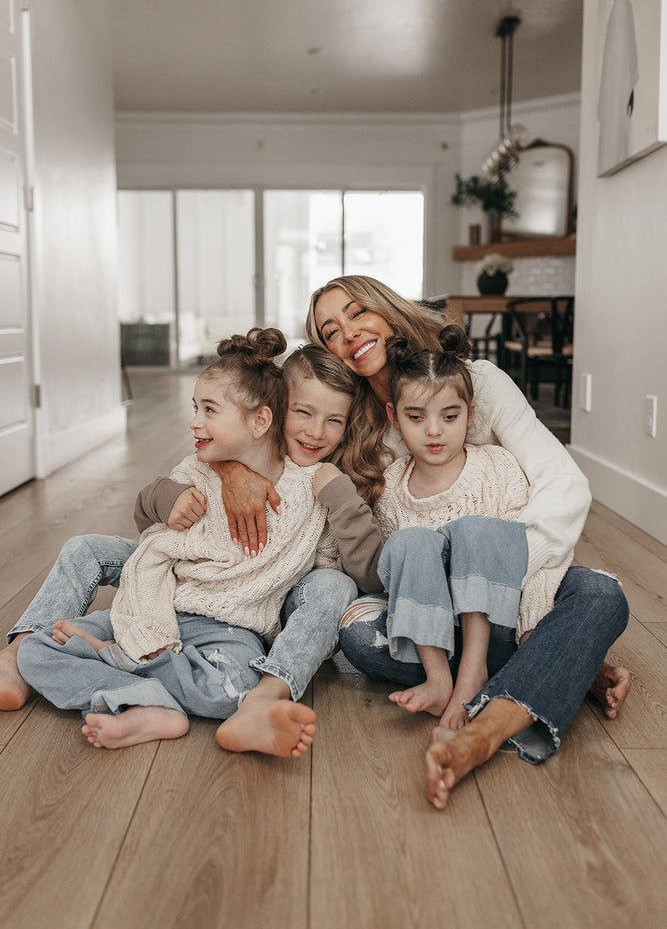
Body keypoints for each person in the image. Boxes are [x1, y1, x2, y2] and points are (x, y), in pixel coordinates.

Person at [303, 275, 630, 808]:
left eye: (358, 312)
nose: (350, 333)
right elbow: (283, 424)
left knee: (600, 595)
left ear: (387, 309)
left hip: (509, 584)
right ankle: (559, 657)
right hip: (431, 612)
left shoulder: (476, 382)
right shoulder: (358, 428)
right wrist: (232, 472)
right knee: (361, 639)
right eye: (330, 330)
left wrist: (494, 576)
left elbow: (564, 484)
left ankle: (486, 729)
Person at [12, 331, 378, 757]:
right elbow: (150, 525)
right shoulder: (205, 463)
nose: (316, 431)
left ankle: (130, 675)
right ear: (273, 412)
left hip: (232, 627)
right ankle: (148, 693)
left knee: (233, 687)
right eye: (302, 412)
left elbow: (349, 573)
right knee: (35, 651)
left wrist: (340, 498)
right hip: (160, 601)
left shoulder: (318, 488)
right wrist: (170, 496)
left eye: (334, 420)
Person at [355, 326, 571, 729]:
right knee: (405, 548)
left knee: (481, 533)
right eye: (416, 417)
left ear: (470, 415)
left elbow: (532, 557)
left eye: (449, 417)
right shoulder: (392, 490)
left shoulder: (499, 468)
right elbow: (394, 577)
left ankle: (473, 676)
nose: (433, 431)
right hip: (430, 635)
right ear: (394, 418)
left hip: (500, 624)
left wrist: (532, 630)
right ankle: (439, 679)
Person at [597, 0, 639, 176]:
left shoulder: (616, 7)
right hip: (620, 83)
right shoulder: (624, 3)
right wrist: (630, 85)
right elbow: (629, 49)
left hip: (615, 87)